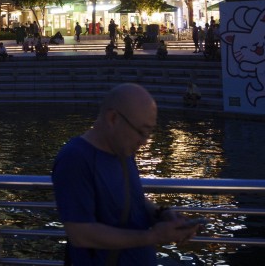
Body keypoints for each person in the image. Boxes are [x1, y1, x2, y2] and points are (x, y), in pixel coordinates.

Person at [52, 84, 201, 265]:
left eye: (149, 132)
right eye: (141, 131)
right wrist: (154, 236)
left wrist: (162, 214)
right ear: (113, 118)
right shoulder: (75, 158)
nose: (145, 141)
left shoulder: (123, 151)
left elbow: (133, 199)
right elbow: (81, 234)